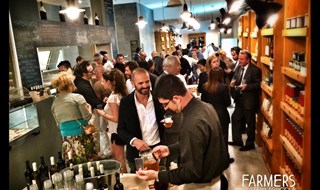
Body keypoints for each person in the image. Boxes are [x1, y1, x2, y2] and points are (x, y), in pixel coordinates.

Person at [136, 74, 229, 189]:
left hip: (206, 185)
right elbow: (199, 144)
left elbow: (191, 172)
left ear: (176, 98)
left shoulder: (192, 123)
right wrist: (170, 149)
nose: (165, 108)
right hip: (218, 177)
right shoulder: (206, 106)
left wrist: (157, 175)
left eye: (165, 104)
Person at [117, 68, 165, 173]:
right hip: (136, 154)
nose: (145, 86)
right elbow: (120, 129)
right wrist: (134, 140)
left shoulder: (159, 98)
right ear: (132, 83)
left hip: (159, 149)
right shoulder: (126, 102)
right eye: (140, 83)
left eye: (147, 81)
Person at [51, 72, 98, 164]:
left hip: (66, 139)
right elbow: (86, 117)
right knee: (88, 164)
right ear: (69, 85)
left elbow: (58, 124)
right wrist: (90, 109)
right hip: (81, 137)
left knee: (73, 165)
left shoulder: (54, 104)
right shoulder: (77, 98)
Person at [228, 50, 262, 151]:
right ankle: (237, 140)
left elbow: (258, 85)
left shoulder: (255, 70)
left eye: (242, 59)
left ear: (248, 60)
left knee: (250, 123)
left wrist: (248, 87)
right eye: (239, 59)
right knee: (235, 118)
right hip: (239, 99)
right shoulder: (239, 68)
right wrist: (233, 84)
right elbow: (235, 78)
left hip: (249, 101)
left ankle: (250, 143)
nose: (239, 61)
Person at [96, 69, 128, 173]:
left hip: (116, 130)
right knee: (116, 156)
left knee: (119, 159)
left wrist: (102, 113)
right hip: (119, 130)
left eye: (103, 81)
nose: (102, 83)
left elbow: (116, 118)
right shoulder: (119, 94)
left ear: (109, 82)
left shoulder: (113, 97)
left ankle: (124, 180)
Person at [201, 68, 233, 163]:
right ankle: (224, 159)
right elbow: (227, 103)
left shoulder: (205, 86)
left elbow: (203, 102)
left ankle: (213, 159)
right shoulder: (223, 87)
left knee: (211, 138)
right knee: (223, 138)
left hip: (209, 115)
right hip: (222, 115)